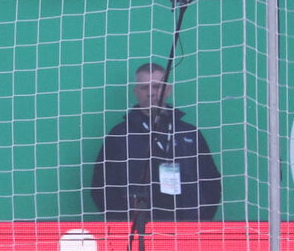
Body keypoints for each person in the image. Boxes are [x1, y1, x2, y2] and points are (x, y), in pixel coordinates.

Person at [91, 63, 221, 222]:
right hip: (137, 227)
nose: (151, 93)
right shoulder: (119, 135)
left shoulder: (189, 134)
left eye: (157, 86)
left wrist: (200, 219)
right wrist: (122, 222)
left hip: (186, 226)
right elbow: (100, 185)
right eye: (145, 87)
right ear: (136, 92)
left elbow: (211, 181)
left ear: (168, 89)